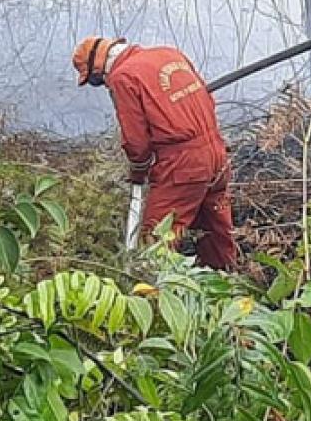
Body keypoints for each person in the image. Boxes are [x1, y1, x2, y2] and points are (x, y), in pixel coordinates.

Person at [71, 37, 237, 270]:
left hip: (183, 163)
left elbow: (136, 140)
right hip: (217, 152)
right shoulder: (168, 53)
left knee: (157, 237)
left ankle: (154, 296)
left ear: (98, 70)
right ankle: (229, 282)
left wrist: (139, 170)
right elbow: (208, 99)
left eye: (96, 82)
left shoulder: (123, 77)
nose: (104, 85)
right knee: (215, 227)